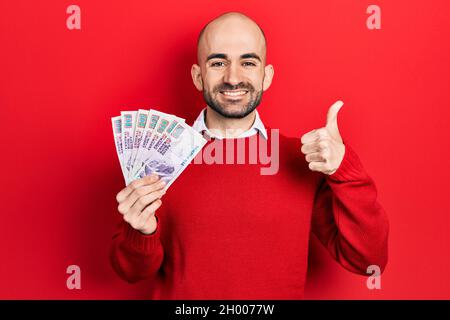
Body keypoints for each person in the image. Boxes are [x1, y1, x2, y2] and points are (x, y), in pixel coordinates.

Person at [110, 12, 389, 299]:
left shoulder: (304, 159)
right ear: (197, 76)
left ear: (266, 76)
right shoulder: (159, 157)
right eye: (218, 63)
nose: (233, 78)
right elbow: (131, 273)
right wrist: (141, 232)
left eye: (248, 62)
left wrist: (345, 170)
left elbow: (367, 260)